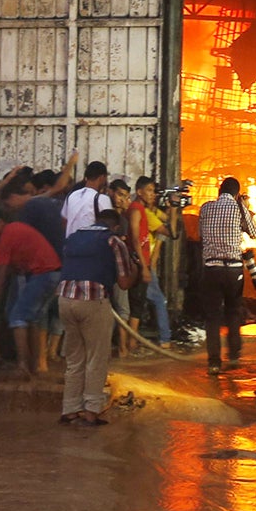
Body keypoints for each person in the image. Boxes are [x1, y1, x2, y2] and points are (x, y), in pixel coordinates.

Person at [56, 206, 124, 426]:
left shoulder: (74, 237)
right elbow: (123, 281)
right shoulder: (113, 241)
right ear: (115, 226)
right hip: (93, 300)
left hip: (65, 300)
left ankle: (69, 409)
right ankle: (91, 411)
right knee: (97, 357)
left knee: (75, 358)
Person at [0, 200, 61, 379]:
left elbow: (1, 275)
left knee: (17, 317)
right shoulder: (16, 229)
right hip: (52, 274)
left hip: (43, 274)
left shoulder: (7, 234)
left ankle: (23, 365)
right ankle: (35, 365)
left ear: (0, 221)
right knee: (34, 319)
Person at [198, 177, 254, 377]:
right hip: (233, 270)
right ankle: (234, 356)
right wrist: (245, 207)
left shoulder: (205, 208)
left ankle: (214, 363)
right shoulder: (239, 209)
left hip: (211, 269)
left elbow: (200, 235)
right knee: (233, 311)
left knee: (212, 316)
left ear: (219, 191)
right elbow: (254, 233)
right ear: (237, 193)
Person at [124, 177, 173, 347]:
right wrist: (145, 267)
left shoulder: (146, 211)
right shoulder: (137, 211)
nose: (153, 194)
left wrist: (172, 208)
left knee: (136, 305)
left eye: (153, 191)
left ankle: (131, 344)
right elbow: (136, 240)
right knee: (149, 302)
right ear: (139, 192)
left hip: (141, 263)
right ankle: (161, 340)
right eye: (150, 190)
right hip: (140, 264)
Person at [61, 161, 112, 237]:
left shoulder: (72, 195)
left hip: (71, 244)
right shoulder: (102, 199)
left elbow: (64, 221)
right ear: (102, 178)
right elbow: (110, 225)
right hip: (91, 245)